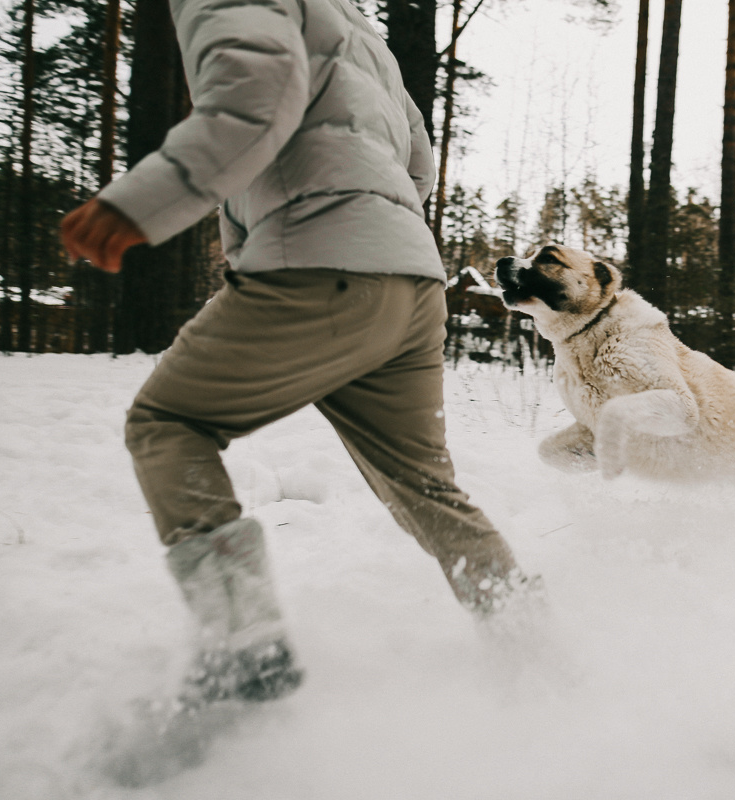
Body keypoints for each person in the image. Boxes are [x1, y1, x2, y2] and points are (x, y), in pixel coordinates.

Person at [61, 0, 539, 707]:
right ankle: (535, 650)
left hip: (320, 268)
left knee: (167, 423)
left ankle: (242, 647)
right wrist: (371, 223)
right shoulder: (355, 26)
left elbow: (257, 98)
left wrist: (142, 201)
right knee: (429, 490)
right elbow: (418, 158)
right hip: (410, 283)